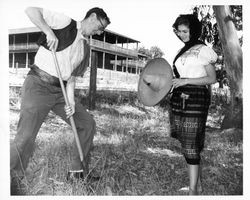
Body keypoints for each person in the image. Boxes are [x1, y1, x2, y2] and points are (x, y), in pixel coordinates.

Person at [10, 6, 110, 195]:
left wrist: (71, 102)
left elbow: (70, 77)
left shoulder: (83, 48)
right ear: (93, 16)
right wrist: (49, 32)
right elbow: (31, 10)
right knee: (25, 137)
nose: (98, 32)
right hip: (38, 85)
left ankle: (76, 172)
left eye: (101, 31)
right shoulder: (65, 22)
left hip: (61, 92)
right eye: (99, 27)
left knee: (86, 123)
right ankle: (10, 180)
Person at [169, 14, 217, 195]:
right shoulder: (184, 51)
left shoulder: (203, 50)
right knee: (188, 142)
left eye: (185, 31)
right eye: (179, 31)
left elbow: (212, 78)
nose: (181, 35)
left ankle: (192, 191)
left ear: (194, 30)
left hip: (196, 98)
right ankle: (197, 185)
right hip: (180, 98)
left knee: (190, 143)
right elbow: (179, 78)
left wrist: (185, 81)